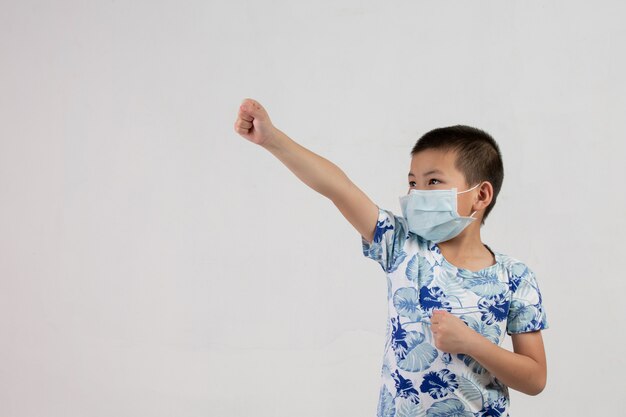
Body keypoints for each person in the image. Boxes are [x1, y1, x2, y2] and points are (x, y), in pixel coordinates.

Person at [233, 98, 548, 416]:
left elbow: (535, 378)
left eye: (433, 181)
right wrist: (273, 139)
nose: (416, 193)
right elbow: (339, 188)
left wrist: (471, 342)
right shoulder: (401, 246)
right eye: (413, 182)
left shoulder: (515, 277)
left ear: (481, 195)